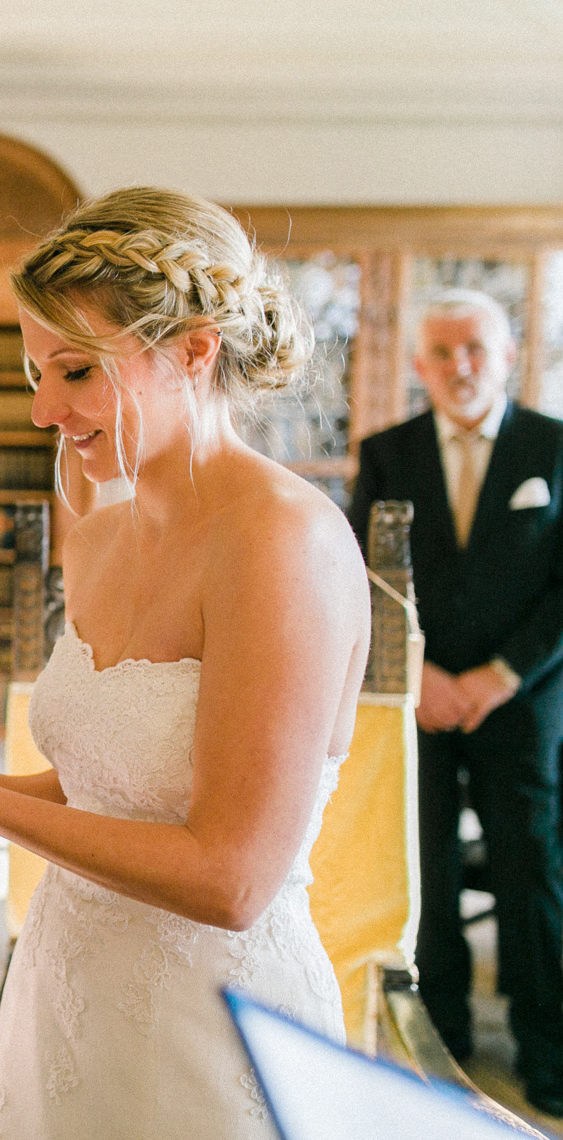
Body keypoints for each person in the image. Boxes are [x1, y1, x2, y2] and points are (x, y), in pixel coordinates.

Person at [0, 188, 369, 1139]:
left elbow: (231, 879)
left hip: (213, 1030)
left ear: (195, 351)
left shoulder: (284, 542)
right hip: (67, 997)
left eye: (75, 371)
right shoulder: (96, 541)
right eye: (35, 372)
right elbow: (111, 792)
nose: (45, 410)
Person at [349, 289, 563, 1116]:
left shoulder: (552, 447)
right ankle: (436, 1047)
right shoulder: (386, 454)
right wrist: (422, 673)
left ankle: (548, 1051)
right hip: (419, 699)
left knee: (532, 864)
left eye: (475, 348)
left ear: (507, 355)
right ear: (418, 365)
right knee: (422, 863)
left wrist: (500, 676)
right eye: (442, 351)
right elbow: (364, 576)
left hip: (526, 700)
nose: (460, 365)